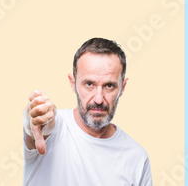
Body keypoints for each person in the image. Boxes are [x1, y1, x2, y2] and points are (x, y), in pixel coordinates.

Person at [23, 37, 152, 185]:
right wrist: (34, 116)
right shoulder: (54, 129)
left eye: (109, 86)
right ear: (73, 83)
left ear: (122, 87)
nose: (98, 99)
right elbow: (37, 126)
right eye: (89, 84)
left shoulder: (137, 158)